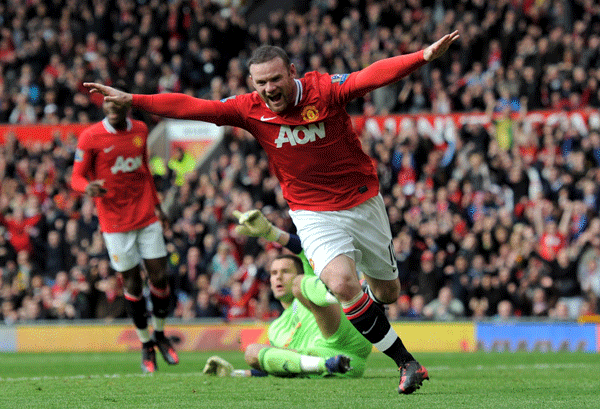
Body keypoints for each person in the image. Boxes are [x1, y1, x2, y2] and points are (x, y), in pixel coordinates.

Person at [83, 31, 458, 393]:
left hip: (362, 202)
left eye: (276, 79)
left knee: (387, 292)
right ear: (252, 82)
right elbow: (194, 106)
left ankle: (365, 308)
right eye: (261, 82)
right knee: (342, 284)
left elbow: (369, 76)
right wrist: (135, 99)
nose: (269, 88)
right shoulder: (250, 109)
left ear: (292, 72)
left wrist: (421, 57)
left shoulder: (324, 90)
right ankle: (407, 363)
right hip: (311, 211)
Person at [70, 83, 179, 373]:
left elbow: (144, 169)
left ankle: (160, 335)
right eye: (108, 105)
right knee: (131, 283)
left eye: (117, 105)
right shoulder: (91, 137)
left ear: (126, 107)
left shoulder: (140, 130)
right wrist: (87, 187)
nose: (112, 109)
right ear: (103, 107)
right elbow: (75, 177)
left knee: (159, 276)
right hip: (114, 223)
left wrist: (158, 206)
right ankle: (146, 344)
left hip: (145, 215)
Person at [203, 208, 371, 378]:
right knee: (252, 351)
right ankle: (327, 365)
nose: (278, 278)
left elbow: (305, 249)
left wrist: (271, 232)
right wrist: (235, 373)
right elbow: (280, 364)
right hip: (337, 364)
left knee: (300, 286)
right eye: (274, 273)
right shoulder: (275, 329)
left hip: (344, 338)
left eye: (285, 271)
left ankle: (342, 292)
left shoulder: (304, 282)